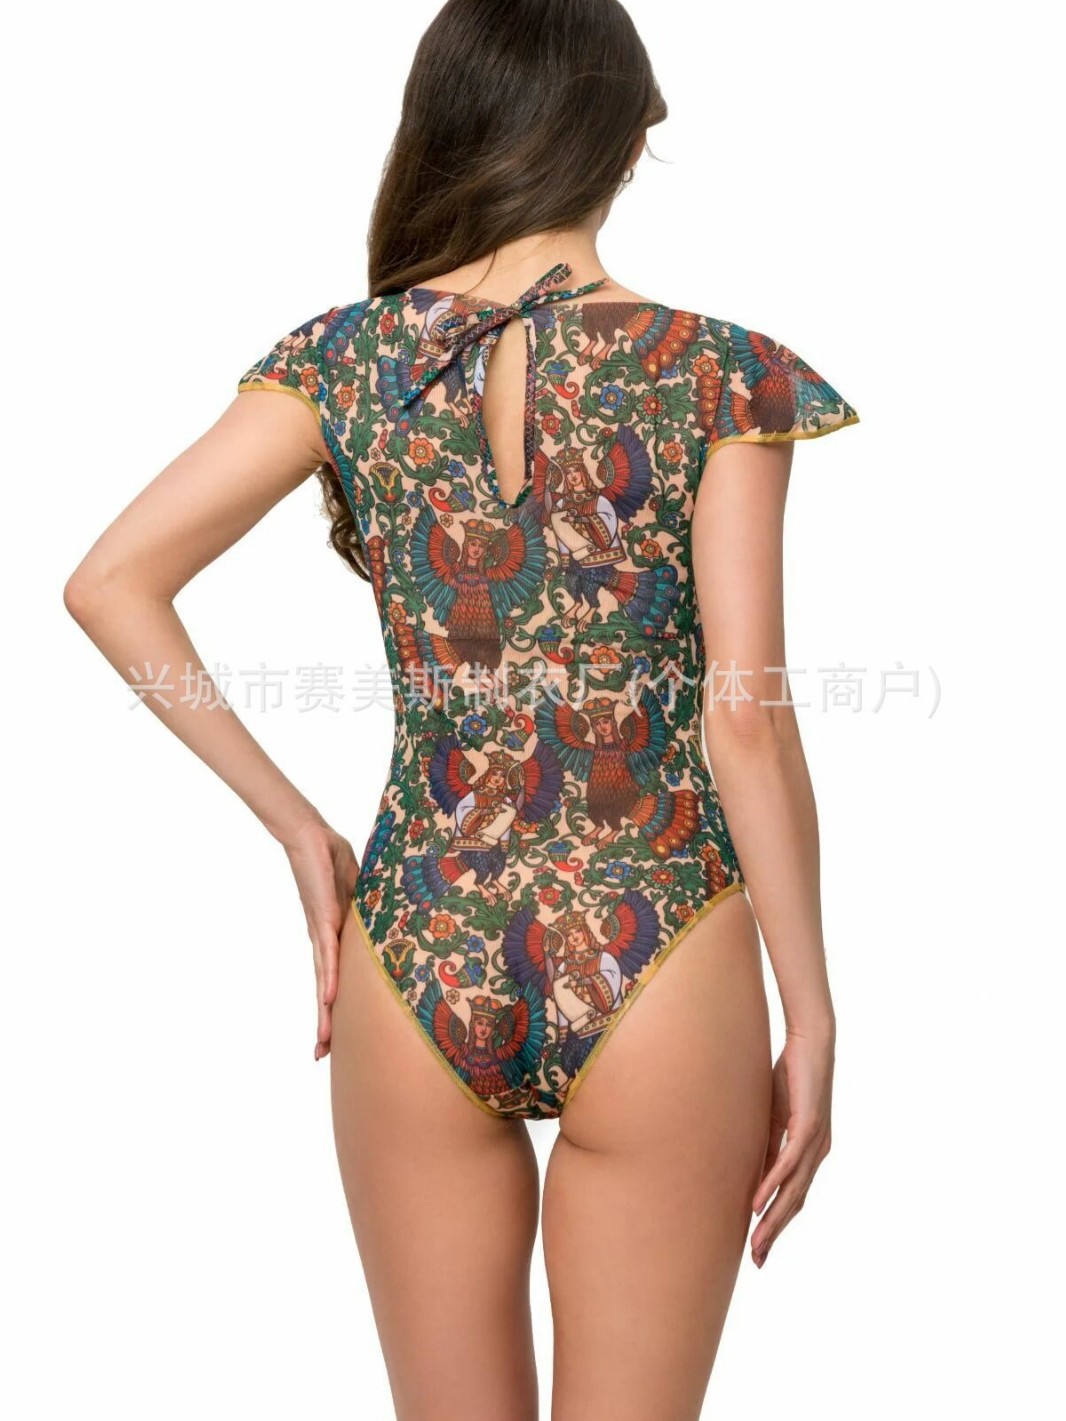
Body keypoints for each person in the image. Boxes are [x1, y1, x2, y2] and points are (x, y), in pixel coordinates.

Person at [63, 1, 859, 1417]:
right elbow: (745, 716)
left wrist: (300, 829)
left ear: (451, 122)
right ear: (628, 137)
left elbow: (113, 582)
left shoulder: (342, 360)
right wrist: (812, 1010)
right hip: (659, 933)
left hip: (416, 937)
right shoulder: (715, 372)